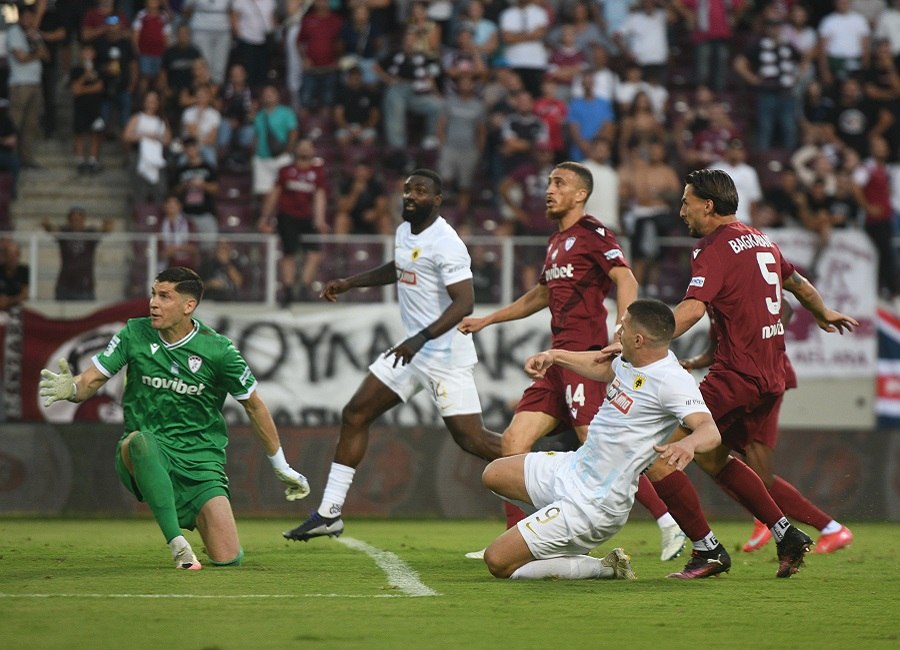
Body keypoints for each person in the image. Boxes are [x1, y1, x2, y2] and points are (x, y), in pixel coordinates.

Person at [461, 161, 687, 562]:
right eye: (549, 182)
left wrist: (622, 330)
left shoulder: (593, 233)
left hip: (586, 356)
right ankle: (515, 539)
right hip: (557, 360)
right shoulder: (556, 242)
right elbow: (540, 295)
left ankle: (670, 522)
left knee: (598, 445)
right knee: (513, 442)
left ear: (581, 194)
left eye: (559, 183)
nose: (549, 189)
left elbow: (626, 278)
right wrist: (488, 319)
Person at [642, 168, 859, 579]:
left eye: (686, 202)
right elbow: (798, 284)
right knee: (714, 458)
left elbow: (693, 308)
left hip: (736, 376)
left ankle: (707, 550)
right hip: (772, 376)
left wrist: (647, 338)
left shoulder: (712, 248)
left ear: (708, 205)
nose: (681, 211)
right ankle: (787, 535)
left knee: (658, 459)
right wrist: (823, 312)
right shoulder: (762, 240)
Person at [38, 266, 309, 570]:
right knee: (140, 441)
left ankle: (200, 521)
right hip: (145, 452)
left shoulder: (219, 351)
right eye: (153, 294)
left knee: (229, 559)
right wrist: (72, 388)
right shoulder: (134, 333)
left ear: (188, 305)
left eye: (164, 296)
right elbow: (90, 381)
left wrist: (281, 465)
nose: (153, 303)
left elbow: (255, 407)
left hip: (200, 461)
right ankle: (178, 545)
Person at [282, 169, 502, 542]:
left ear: (437, 200)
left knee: (472, 440)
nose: (411, 196)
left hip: (444, 355)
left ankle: (541, 467)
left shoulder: (447, 242)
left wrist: (420, 339)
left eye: (421, 191)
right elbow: (400, 268)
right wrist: (351, 282)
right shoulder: (404, 232)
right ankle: (329, 513)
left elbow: (464, 302)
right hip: (411, 352)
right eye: (407, 190)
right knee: (355, 413)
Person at [481, 299, 721, 580]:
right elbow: (604, 368)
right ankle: (553, 534)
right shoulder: (632, 360)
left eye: (623, 327)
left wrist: (688, 444)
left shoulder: (672, 380)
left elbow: (709, 429)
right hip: (573, 468)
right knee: (494, 474)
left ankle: (605, 566)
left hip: (595, 504)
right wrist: (555, 356)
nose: (618, 331)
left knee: (497, 561)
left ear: (639, 339)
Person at [680, 303, 854, 555]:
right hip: (742, 383)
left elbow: (785, 306)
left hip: (763, 383)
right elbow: (713, 349)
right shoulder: (714, 304)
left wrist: (767, 340)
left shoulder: (737, 288)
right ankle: (764, 518)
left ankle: (829, 528)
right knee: (714, 459)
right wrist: (691, 362)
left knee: (757, 471)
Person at [258, 137, 329, 306]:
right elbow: (275, 193)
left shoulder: (317, 173)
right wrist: (265, 217)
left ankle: (304, 287)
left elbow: (319, 196)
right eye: (301, 146)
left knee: (314, 253)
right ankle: (289, 290)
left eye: (308, 147)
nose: (304, 149)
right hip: (287, 217)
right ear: (296, 149)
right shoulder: (286, 170)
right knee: (289, 253)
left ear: (313, 150)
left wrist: (320, 220)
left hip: (306, 218)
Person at [42, 206, 114, 301]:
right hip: (65, 285)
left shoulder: (90, 233)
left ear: (84, 220)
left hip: (85, 286)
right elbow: (51, 229)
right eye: (73, 219)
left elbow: (106, 230)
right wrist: (46, 224)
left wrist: (107, 222)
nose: (76, 222)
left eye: (79, 219)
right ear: (69, 220)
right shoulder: (65, 232)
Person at [0, 239, 29, 311]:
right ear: (5, 256)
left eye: (14, 255)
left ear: (18, 255)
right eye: (9, 254)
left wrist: (9, 301)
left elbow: (24, 295)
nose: (12, 258)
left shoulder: (24, 270)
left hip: (17, 308)